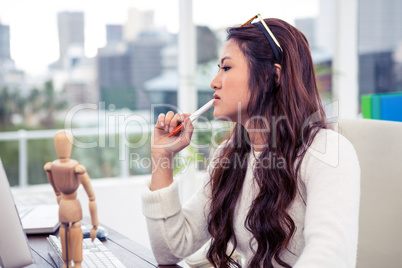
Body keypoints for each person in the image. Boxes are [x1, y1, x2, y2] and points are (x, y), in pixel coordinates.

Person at [142, 15, 360, 268]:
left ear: (272, 76)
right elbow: (170, 250)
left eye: (226, 68)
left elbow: (329, 257)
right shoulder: (230, 155)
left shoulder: (327, 151)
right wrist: (161, 157)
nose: (214, 82)